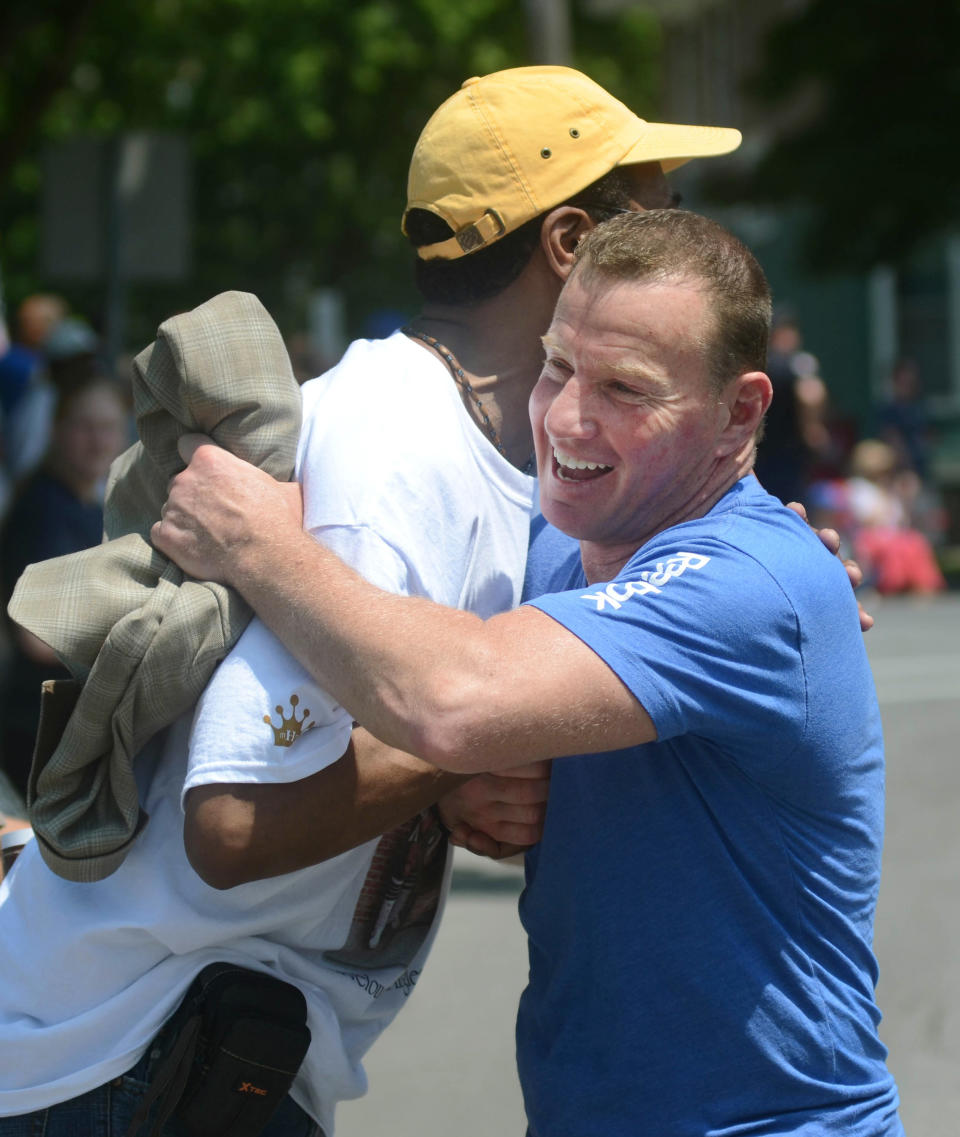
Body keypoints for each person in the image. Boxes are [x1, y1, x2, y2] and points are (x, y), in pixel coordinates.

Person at [0, 67, 749, 1137]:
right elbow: (230, 822)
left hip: (200, 1051)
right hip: (126, 1060)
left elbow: (354, 733)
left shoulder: (493, 450)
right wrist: (471, 737)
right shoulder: (394, 455)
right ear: (573, 242)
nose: (680, 237)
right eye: (656, 209)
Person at [154, 209, 903, 1136]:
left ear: (741, 409)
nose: (569, 417)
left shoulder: (753, 580)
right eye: (557, 366)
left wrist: (255, 541)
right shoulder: (563, 538)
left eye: (627, 388)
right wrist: (459, 790)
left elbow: (451, 701)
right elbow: (470, 714)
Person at [0, 356, 131, 800]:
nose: (99, 442)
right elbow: (35, 635)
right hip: (39, 724)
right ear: (57, 429)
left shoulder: (91, 507)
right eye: (85, 427)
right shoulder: (45, 510)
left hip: (68, 722)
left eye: (109, 428)